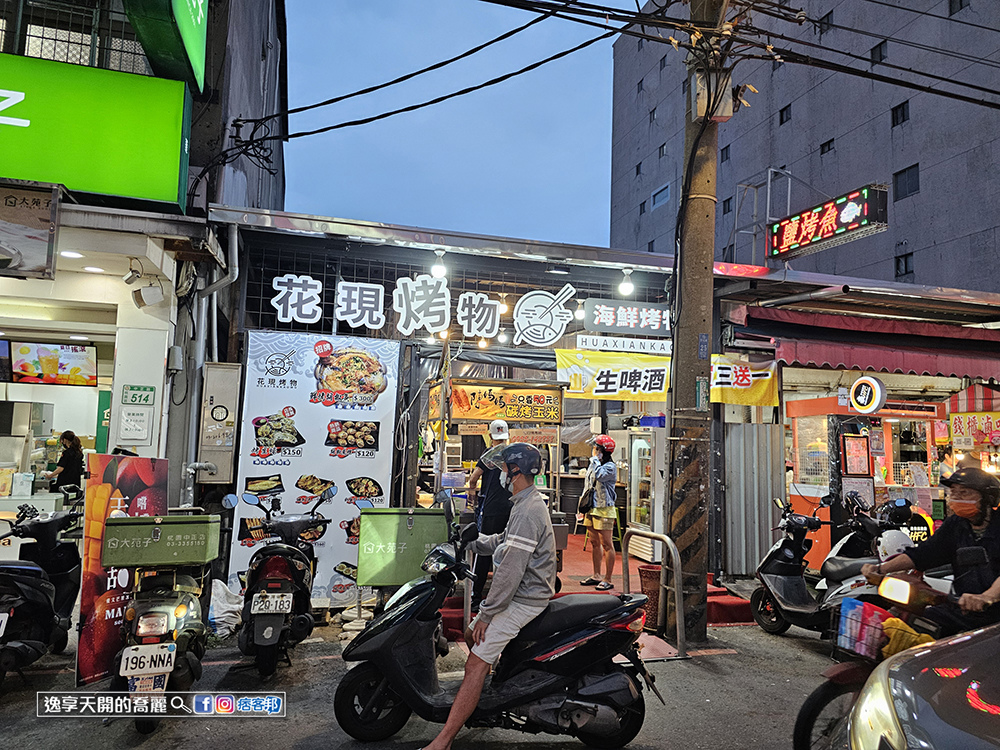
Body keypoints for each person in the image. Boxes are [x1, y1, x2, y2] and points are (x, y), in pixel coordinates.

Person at [421, 443, 556, 750]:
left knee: (474, 662)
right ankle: (487, 691)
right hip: (520, 594)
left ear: (516, 472)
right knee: (471, 635)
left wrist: (487, 612)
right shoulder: (523, 502)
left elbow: (509, 571)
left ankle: (443, 741)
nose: (500, 475)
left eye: (504, 469)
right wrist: (473, 540)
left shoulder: (528, 510)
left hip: (524, 599)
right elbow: (504, 541)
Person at [861, 467, 1000, 636]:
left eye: (964, 493)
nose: (956, 498)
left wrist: (987, 597)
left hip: (995, 617)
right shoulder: (955, 525)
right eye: (953, 493)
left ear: (987, 498)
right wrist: (881, 569)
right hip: (961, 611)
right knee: (912, 627)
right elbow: (923, 554)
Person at [466, 419, 512, 611]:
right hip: (511, 510)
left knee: (484, 553)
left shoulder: (489, 455)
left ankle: (476, 599)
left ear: (490, 435)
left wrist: (472, 490)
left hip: (491, 510)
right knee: (508, 553)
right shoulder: (513, 454)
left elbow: (473, 478)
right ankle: (503, 597)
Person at [580, 434, 618, 591]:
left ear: (602, 450)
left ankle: (608, 578)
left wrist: (595, 459)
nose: (593, 450)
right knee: (594, 542)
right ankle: (596, 575)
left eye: (595, 448)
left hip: (604, 508)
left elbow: (599, 476)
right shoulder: (594, 464)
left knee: (607, 544)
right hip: (591, 507)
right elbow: (588, 483)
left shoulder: (610, 467)